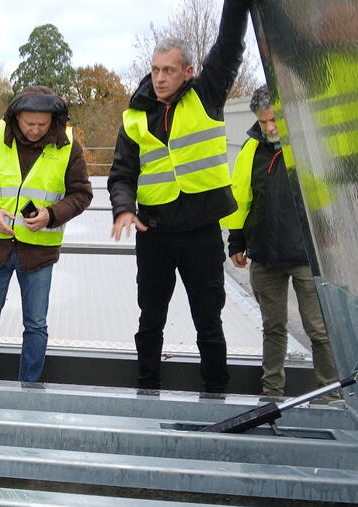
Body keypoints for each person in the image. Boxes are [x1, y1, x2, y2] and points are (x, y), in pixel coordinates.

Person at [107, 0, 253, 393]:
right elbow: (122, 173)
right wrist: (123, 208)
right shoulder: (134, 116)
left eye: (168, 70)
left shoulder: (206, 94)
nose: (159, 77)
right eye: (155, 69)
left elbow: (229, 45)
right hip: (153, 233)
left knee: (209, 320)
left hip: (201, 233)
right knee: (149, 319)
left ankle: (215, 392)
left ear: (187, 72)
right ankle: (147, 388)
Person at [0, 85, 92, 382]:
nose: (35, 130)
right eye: (29, 123)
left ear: (53, 120)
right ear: (16, 117)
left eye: (42, 124)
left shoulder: (68, 144)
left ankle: (28, 391)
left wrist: (51, 215)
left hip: (39, 253)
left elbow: (82, 194)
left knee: (35, 325)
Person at [223, 85, 339, 397]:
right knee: (273, 329)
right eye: (263, 122)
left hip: (304, 256)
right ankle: (272, 393)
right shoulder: (250, 152)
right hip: (265, 257)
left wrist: (325, 228)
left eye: (273, 119)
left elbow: (318, 191)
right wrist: (236, 242)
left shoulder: (303, 145)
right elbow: (242, 199)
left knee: (318, 329)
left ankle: (329, 395)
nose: (270, 127)